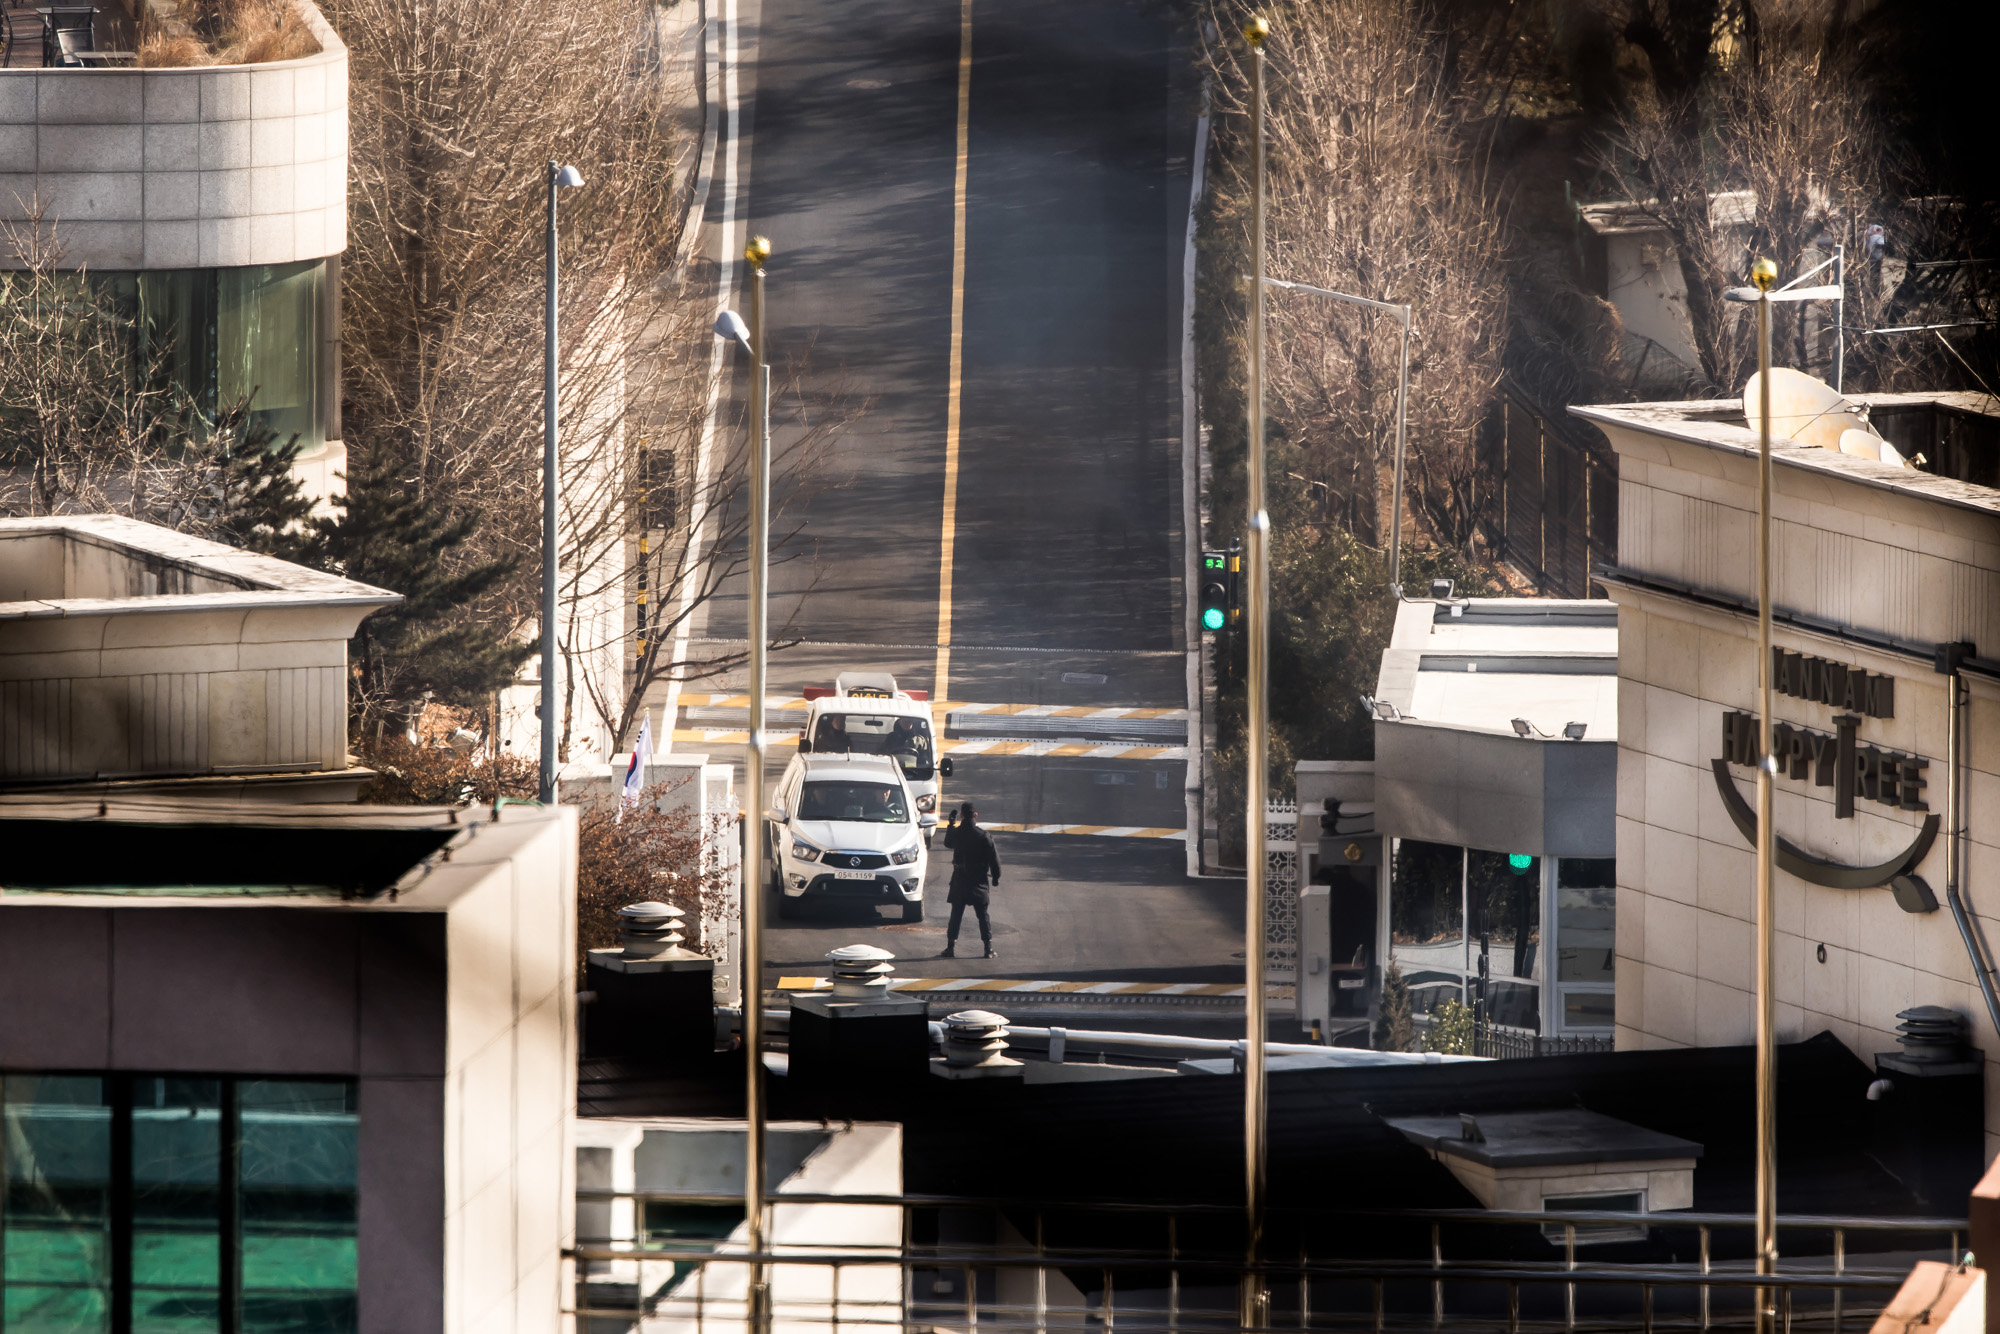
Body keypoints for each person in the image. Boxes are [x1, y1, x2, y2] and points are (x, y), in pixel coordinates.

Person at [940, 802, 1001, 960]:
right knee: (983, 915)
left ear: (961, 816)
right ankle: (988, 948)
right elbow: (994, 861)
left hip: (959, 880)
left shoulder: (957, 833)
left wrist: (950, 824)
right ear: (975, 815)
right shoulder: (984, 836)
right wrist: (995, 878)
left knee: (956, 915)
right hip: (978, 881)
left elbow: (948, 843)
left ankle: (950, 947)